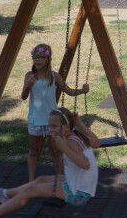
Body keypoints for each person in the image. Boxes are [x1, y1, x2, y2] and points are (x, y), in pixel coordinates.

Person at [0, 107, 100, 218]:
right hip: (80, 183)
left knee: (30, 191)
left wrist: (64, 148)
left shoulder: (70, 142)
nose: (50, 130)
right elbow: (97, 142)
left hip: (78, 193)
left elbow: (85, 164)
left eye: (54, 126)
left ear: (66, 126)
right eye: (49, 126)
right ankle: (5, 194)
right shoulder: (76, 133)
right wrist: (80, 124)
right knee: (41, 179)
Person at [21, 44, 90, 182]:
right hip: (35, 120)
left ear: (48, 59)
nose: (38, 60)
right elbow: (23, 96)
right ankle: (30, 181)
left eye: (42, 57)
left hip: (52, 123)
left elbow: (69, 91)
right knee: (34, 152)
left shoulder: (54, 77)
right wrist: (28, 85)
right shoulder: (30, 76)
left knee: (55, 152)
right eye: (36, 57)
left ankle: (59, 180)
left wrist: (82, 91)